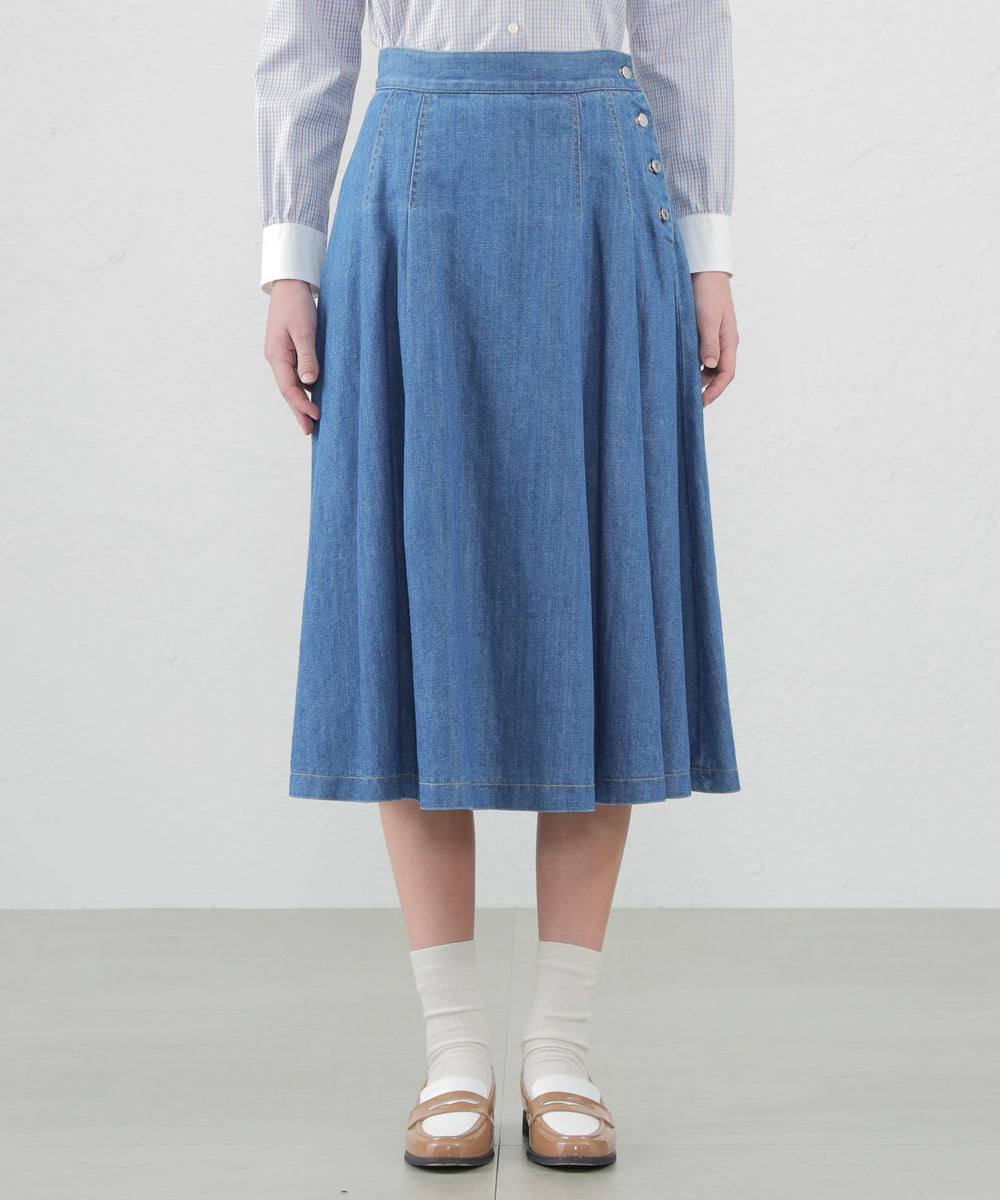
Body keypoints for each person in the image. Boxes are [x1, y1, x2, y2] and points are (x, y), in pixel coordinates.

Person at [255, 0, 741, 1171]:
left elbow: (686, 31)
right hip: (409, 203)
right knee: (424, 608)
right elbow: (308, 42)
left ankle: (561, 1051)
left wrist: (709, 250)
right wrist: (286, 264)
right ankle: (453, 1053)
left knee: (598, 601)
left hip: (602, 200)